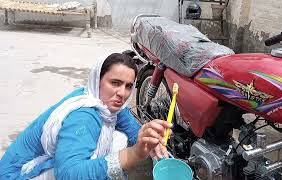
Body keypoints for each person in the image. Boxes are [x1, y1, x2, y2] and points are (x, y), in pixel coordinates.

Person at [0, 53, 172, 179]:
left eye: (128, 86)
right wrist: (133, 154)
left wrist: (149, 140)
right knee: (117, 146)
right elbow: (68, 174)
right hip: (20, 174)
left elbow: (132, 128)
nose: (122, 93)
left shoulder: (106, 103)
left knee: (118, 138)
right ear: (97, 80)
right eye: (115, 83)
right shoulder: (84, 116)